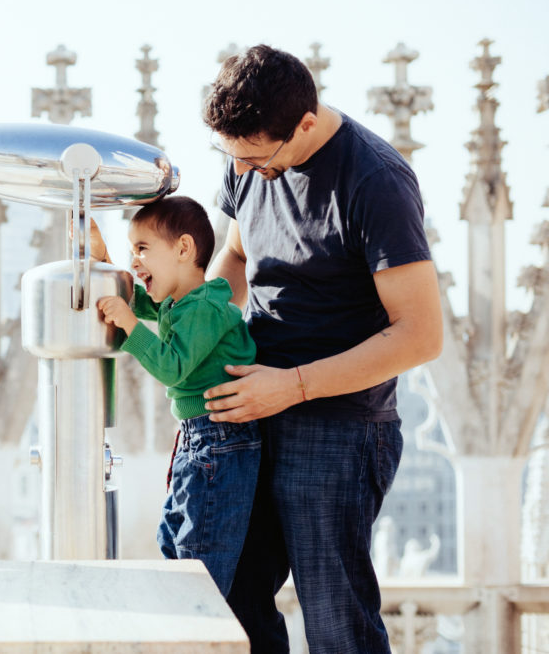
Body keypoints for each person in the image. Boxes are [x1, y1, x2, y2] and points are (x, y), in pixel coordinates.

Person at [200, 45, 443, 653]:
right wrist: (193, 321)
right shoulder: (247, 157)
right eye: (235, 160)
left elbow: (421, 334)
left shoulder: (376, 180)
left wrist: (292, 385)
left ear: (305, 123)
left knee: (337, 625)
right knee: (230, 601)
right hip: (249, 411)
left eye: (260, 159)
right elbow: (234, 255)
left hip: (339, 427)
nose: (247, 173)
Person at [91, 195, 258, 597]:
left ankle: (198, 631)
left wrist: (129, 324)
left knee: (197, 561)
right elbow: (139, 298)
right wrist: (102, 258)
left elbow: (171, 365)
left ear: (184, 249)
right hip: (200, 438)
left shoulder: (205, 307)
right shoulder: (181, 302)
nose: (135, 262)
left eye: (143, 249)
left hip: (219, 442)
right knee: (174, 539)